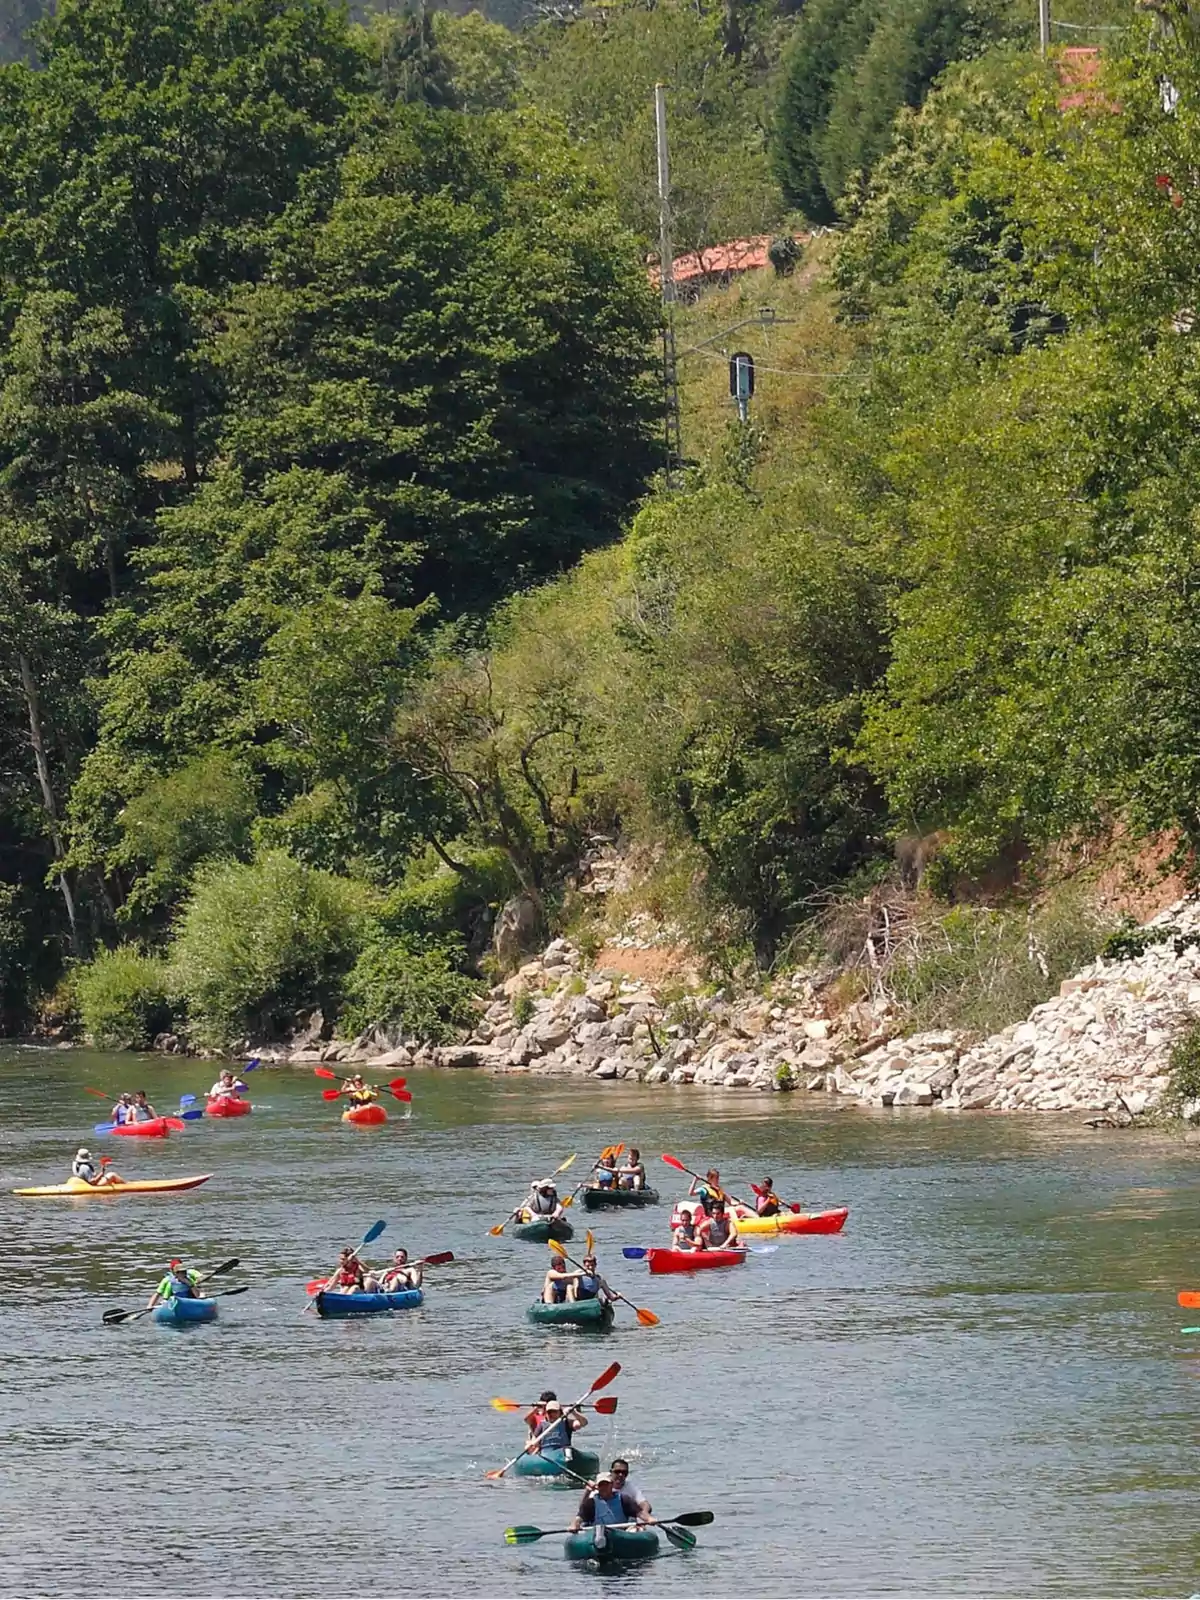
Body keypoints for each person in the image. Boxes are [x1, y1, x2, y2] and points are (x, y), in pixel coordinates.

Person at [568, 1469, 651, 1534]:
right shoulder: (591, 1503)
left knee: (635, 1530)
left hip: (621, 1534)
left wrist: (649, 1519)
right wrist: (574, 1525)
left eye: (606, 1484)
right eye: (601, 1485)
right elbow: (579, 1518)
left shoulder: (624, 1499)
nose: (604, 1488)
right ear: (597, 1487)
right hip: (597, 1534)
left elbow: (640, 1513)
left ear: (611, 1485)